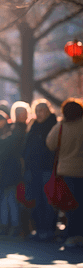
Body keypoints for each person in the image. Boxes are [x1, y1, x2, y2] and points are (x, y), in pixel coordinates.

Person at [46, 98, 83, 248]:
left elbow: (50, 143)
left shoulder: (61, 126)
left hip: (66, 170)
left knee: (71, 205)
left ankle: (73, 235)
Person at [0, 101, 29, 237]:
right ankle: (7, 225)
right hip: (7, 171)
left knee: (11, 199)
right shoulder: (14, 129)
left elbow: (8, 146)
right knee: (8, 199)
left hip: (13, 170)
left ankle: (13, 225)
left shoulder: (16, 131)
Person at [23, 99, 58, 241]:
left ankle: (49, 230)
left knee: (48, 200)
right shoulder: (33, 126)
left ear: (48, 111)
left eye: (42, 110)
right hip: (34, 169)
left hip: (48, 168)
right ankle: (39, 229)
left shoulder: (54, 125)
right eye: (37, 111)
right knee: (37, 200)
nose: (39, 114)